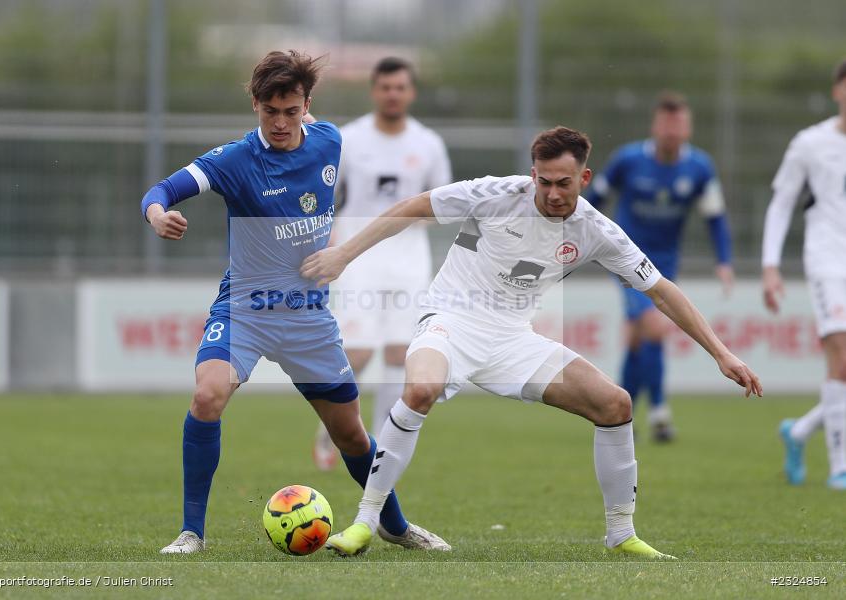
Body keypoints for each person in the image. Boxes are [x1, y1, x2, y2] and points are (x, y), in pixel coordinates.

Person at [301, 126, 762, 558]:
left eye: (564, 183)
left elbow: (660, 290)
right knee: (419, 390)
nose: (553, 193)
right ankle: (366, 520)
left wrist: (722, 353)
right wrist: (344, 253)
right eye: (544, 182)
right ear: (532, 173)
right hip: (450, 320)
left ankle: (622, 534)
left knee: (615, 404)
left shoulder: (596, 230)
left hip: (513, 341)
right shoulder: (496, 194)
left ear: (584, 178)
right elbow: (412, 207)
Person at [140, 50, 449, 554]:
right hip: (247, 309)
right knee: (207, 395)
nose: (280, 123)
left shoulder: (327, 140)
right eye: (269, 111)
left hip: (307, 318)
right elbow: (163, 189)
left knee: (351, 435)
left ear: (307, 106)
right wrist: (156, 214)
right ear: (255, 106)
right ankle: (191, 532)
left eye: (291, 111)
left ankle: (394, 524)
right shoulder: (235, 160)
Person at [312, 57, 452, 470]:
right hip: (358, 255)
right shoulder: (348, 139)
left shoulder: (428, 144)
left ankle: (377, 447)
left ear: (410, 93)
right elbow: (325, 193)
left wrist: (408, 217)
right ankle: (332, 429)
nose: (393, 94)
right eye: (385, 87)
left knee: (398, 354)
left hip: (409, 257)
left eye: (400, 87)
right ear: (374, 91)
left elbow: (441, 202)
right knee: (355, 354)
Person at [586, 92, 734, 442]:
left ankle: (621, 413)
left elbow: (715, 218)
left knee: (638, 338)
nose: (672, 131)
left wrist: (724, 261)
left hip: (665, 262)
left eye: (679, 124)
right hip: (625, 257)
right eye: (666, 124)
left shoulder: (700, 167)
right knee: (654, 326)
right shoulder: (628, 160)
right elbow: (593, 202)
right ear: (655, 126)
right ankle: (660, 412)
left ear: (688, 128)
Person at [765, 58, 846, 490]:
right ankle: (840, 468)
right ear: (837, 90)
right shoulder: (810, 143)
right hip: (828, 260)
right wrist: (770, 265)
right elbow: (781, 203)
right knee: (841, 355)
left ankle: (798, 433)